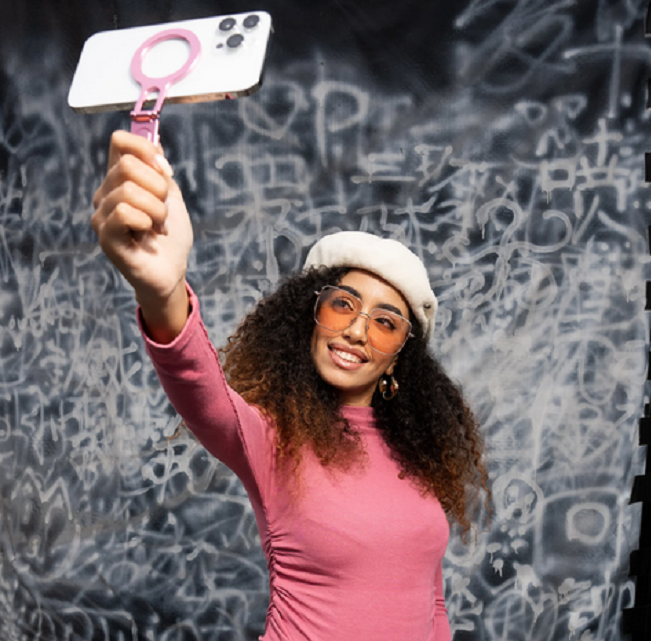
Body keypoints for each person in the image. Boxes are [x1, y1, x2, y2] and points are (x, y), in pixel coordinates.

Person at [91, 130, 489, 641]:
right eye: (342, 305)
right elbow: (201, 391)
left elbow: (430, 600)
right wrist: (163, 293)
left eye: (385, 322)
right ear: (311, 317)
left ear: (398, 357)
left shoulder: (419, 455)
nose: (356, 331)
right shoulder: (273, 438)